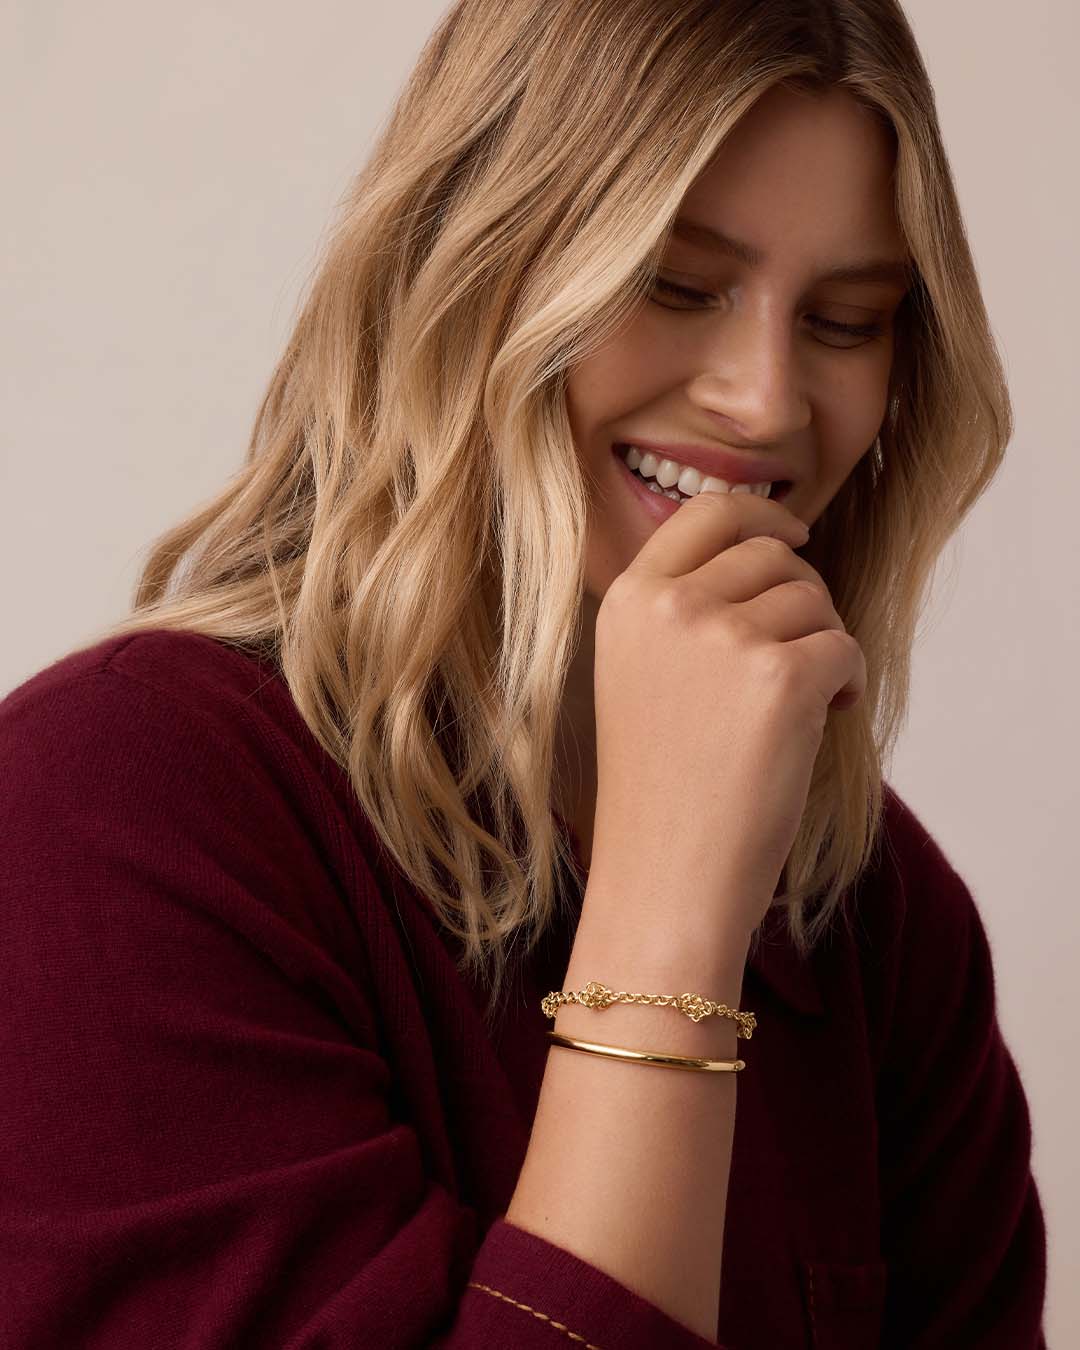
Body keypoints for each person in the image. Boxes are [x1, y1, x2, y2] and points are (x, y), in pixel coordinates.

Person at [0, 1, 1047, 1346]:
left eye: (846, 322)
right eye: (676, 283)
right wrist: (669, 913)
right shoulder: (107, 815)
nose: (766, 400)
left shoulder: (875, 912)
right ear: (469, 264)